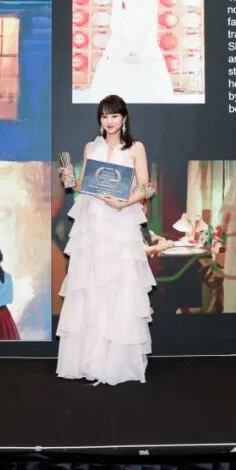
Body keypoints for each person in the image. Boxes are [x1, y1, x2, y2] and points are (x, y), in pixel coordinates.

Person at [56, 94, 156, 385]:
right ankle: (90, 360)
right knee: (91, 287)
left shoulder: (136, 148)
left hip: (120, 223)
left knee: (119, 287)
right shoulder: (92, 147)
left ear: (124, 118)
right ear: (99, 120)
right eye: (104, 116)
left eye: (114, 115)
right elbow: (83, 186)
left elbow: (147, 188)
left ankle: (117, 363)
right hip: (93, 224)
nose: (109, 121)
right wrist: (69, 180)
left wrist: (123, 204)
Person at [87, 0, 174, 103]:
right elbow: (115, 23)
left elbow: (151, 25)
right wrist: (123, 42)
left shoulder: (149, 1)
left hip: (143, 39)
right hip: (121, 39)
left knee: (144, 69)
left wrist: (142, 44)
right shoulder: (120, 0)